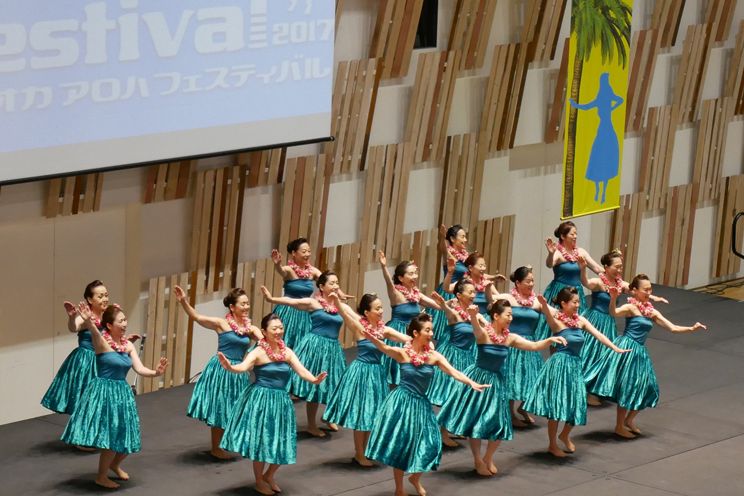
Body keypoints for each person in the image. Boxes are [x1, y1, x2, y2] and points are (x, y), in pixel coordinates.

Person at [362, 313, 489, 496]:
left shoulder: (434, 357)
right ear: (415, 333)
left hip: (421, 403)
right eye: (427, 330)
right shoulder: (402, 354)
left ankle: (415, 477)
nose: (431, 334)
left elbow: (453, 372)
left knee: (432, 443)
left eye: (432, 330)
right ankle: (399, 488)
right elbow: (383, 346)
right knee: (401, 445)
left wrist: (471, 383)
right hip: (402, 403)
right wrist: (372, 337)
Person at [438, 301, 567, 476]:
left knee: (499, 423)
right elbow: (476, 328)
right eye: (508, 314)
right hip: (480, 379)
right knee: (475, 423)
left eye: (511, 314)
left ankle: (488, 457)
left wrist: (550, 340)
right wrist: (474, 316)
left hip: (497, 382)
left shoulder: (510, 338)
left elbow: (533, 346)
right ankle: (477, 460)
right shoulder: (483, 334)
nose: (511, 318)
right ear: (496, 316)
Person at [218, 313, 327, 495]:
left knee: (282, 441)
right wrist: (230, 366)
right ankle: (259, 481)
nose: (278, 331)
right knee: (262, 443)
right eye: (274, 328)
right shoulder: (258, 352)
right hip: (261, 401)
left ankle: (269, 475)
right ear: (264, 332)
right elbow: (242, 367)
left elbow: (301, 370)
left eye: (280, 328)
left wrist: (314, 380)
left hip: (281, 402)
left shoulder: (287, 351)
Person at [585, 274, 706, 438]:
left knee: (646, 386)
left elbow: (672, 328)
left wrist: (692, 328)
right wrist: (613, 298)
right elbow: (613, 312)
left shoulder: (651, 312)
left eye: (650, 289)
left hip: (640, 352)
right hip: (627, 348)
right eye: (646, 289)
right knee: (626, 388)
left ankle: (629, 420)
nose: (649, 292)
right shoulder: (630, 308)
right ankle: (619, 426)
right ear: (634, 291)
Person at [61, 303, 168, 489]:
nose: (125, 324)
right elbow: (93, 330)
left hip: (122, 394)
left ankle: (114, 465)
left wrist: (156, 373)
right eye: (120, 321)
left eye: (125, 320)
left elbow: (140, 368)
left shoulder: (127, 345)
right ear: (109, 325)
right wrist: (86, 319)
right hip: (103, 393)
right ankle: (101, 476)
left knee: (127, 435)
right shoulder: (101, 342)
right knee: (110, 438)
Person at [523, 288, 630, 457]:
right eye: (574, 302)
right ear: (564, 304)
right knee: (556, 406)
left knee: (576, 402)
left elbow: (599, 335)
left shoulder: (580, 320)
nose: (578, 305)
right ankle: (552, 444)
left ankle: (564, 434)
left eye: (579, 302)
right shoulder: (557, 322)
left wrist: (615, 347)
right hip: (559, 366)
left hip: (575, 366)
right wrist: (544, 305)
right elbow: (549, 318)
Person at [173, 285, 263, 459]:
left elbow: (264, 342)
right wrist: (184, 301)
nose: (246, 307)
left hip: (238, 372)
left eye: (247, 303)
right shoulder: (222, 324)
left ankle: (231, 442)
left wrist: (251, 358)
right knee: (221, 408)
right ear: (232, 307)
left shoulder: (250, 328)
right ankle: (216, 447)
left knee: (237, 408)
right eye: (242, 304)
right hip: (221, 370)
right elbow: (197, 317)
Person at [322, 293, 410, 466]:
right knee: (362, 412)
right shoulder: (359, 328)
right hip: (361, 373)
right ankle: (359, 453)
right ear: (366, 312)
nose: (381, 311)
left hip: (377, 374)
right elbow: (344, 312)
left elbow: (405, 338)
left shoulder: (383, 330)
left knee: (373, 413)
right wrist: (337, 301)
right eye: (377, 308)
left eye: (381, 307)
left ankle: (366, 449)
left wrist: (419, 339)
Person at [260, 271, 346, 437]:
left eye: (337, 283)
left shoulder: (338, 305)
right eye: (332, 283)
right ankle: (311, 425)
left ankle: (329, 416)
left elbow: (348, 319)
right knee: (315, 386)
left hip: (333, 347)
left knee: (336, 383)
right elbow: (293, 301)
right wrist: (272, 299)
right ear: (321, 287)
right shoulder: (313, 303)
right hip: (315, 346)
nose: (335, 286)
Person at [577, 252, 668, 406]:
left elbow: (635, 289)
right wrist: (583, 268)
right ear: (606, 267)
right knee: (589, 353)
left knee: (604, 356)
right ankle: (580, 387)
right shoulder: (599, 282)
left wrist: (654, 298)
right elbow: (585, 282)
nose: (619, 269)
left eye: (621, 267)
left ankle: (593, 390)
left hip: (609, 322)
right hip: (595, 319)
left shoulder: (620, 284)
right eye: (616, 266)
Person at [41, 280, 111, 416]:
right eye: (100, 296)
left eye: (106, 295)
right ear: (90, 299)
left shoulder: (108, 315)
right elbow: (75, 327)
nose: (105, 299)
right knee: (85, 401)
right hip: (87, 361)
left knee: (102, 403)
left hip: (103, 360)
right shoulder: (86, 315)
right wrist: (72, 317)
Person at [488, 266, 545, 426]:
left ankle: (523, 408)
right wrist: (488, 286)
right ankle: (510, 413)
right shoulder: (508, 298)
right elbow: (493, 302)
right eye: (528, 281)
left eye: (533, 281)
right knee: (512, 378)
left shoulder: (536, 301)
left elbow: (552, 312)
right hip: (512, 343)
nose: (531, 284)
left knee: (532, 377)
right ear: (518, 283)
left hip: (529, 343)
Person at [428, 278, 479, 447]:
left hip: (466, 356)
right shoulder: (454, 313)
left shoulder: (473, 314)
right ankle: (442, 432)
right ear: (459, 295)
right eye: (470, 292)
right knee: (450, 393)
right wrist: (443, 304)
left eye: (474, 292)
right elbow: (447, 311)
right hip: (452, 355)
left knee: (459, 394)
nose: (473, 295)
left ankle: (450, 427)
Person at [534, 221, 602, 340]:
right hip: (561, 293)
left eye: (576, 234)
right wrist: (550, 254)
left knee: (576, 327)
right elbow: (549, 264)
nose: (575, 236)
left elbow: (597, 268)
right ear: (562, 236)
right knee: (559, 328)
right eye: (572, 234)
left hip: (576, 293)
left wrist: (612, 274)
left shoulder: (581, 252)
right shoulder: (558, 253)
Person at [378, 250, 439, 385]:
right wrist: (383, 266)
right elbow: (388, 281)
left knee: (411, 371)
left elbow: (436, 305)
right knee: (395, 371)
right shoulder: (396, 293)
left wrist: (447, 305)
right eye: (410, 274)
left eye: (415, 273)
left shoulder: (416, 294)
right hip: (397, 332)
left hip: (413, 333)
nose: (415, 276)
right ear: (401, 278)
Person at [270, 238, 321, 348]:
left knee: (303, 345)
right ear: (294, 253)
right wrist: (277, 264)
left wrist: (339, 292)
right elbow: (281, 271)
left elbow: (326, 281)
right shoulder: (289, 270)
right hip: (288, 310)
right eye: (303, 252)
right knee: (283, 342)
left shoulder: (313, 271)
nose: (307, 254)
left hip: (304, 312)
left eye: (309, 251)